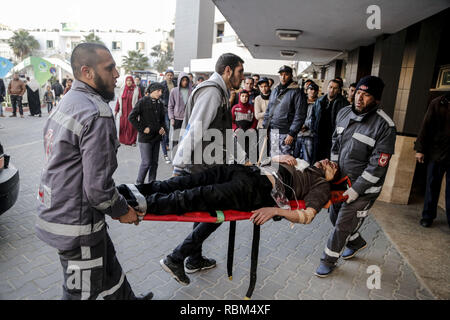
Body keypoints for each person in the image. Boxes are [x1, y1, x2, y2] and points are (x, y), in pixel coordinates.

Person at [35, 43, 152, 300]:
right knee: (81, 293)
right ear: (87, 72)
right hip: (77, 227)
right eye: (110, 68)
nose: (117, 74)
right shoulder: (96, 114)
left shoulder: (70, 101)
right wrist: (123, 211)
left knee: (110, 268)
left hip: (64, 211)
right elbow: (98, 190)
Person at [161, 53, 245, 286]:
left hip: (208, 165)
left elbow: (224, 135)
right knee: (218, 214)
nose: (242, 77)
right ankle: (176, 258)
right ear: (227, 71)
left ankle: (194, 258)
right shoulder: (212, 92)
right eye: (240, 72)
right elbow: (194, 129)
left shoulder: (220, 92)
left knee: (203, 212)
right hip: (201, 167)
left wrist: (243, 159)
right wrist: (179, 166)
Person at [316, 75, 396, 277]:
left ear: (376, 100)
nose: (359, 98)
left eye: (366, 95)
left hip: (365, 188)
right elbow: (335, 142)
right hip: (340, 180)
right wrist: (332, 168)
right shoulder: (343, 113)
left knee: (344, 221)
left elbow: (377, 167)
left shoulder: (385, 126)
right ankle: (356, 241)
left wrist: (356, 190)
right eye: (358, 92)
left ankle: (328, 259)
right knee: (334, 214)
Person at [117, 157, 337, 226]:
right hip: (245, 170)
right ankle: (124, 191)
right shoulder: (302, 162)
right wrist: (276, 158)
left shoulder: (321, 186)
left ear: (331, 178)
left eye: (334, 166)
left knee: (194, 196)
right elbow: (263, 162)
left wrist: (275, 211)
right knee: (182, 182)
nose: (329, 161)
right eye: (330, 159)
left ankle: (138, 205)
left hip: (256, 189)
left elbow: (307, 216)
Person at [414, 93, 450, 228]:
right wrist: (420, 149)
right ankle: (428, 216)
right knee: (432, 186)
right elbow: (426, 126)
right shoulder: (438, 103)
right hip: (437, 153)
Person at [262, 65, 307, 157]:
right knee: (274, 159)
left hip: (286, 133)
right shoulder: (275, 90)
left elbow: (300, 114)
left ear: (291, 76)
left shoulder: (297, 92)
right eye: (281, 74)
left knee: (285, 160)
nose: (283, 77)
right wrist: (265, 127)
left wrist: (292, 133)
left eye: (286, 74)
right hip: (273, 130)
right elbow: (269, 110)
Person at [129, 82, 167, 184]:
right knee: (146, 162)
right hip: (145, 139)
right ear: (152, 90)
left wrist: (163, 128)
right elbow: (131, 117)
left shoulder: (160, 103)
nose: (160, 93)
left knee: (154, 163)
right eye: (158, 91)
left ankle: (151, 184)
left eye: (161, 91)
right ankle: (139, 183)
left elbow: (163, 119)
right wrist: (142, 128)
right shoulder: (142, 102)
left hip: (156, 138)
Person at [312, 79, 348, 162]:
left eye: (335, 88)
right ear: (327, 87)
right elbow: (313, 116)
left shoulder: (343, 103)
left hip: (332, 138)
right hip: (319, 136)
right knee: (316, 161)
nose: (332, 90)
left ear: (339, 90)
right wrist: (313, 128)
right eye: (330, 87)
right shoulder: (319, 101)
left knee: (329, 162)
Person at [294, 82, 319, 163]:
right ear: (307, 90)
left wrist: (306, 125)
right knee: (294, 158)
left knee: (307, 160)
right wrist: (298, 126)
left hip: (309, 135)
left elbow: (316, 118)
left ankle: (306, 175)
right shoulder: (301, 101)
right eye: (311, 89)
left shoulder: (318, 104)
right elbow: (295, 115)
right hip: (297, 134)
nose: (313, 91)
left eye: (315, 90)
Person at [168, 72, 193, 150]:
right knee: (176, 138)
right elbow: (170, 106)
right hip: (177, 119)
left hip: (188, 119)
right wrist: (172, 118)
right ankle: (175, 156)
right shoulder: (174, 91)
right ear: (179, 81)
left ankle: (183, 156)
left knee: (186, 138)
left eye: (186, 80)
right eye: (183, 80)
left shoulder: (192, 91)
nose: (185, 82)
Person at [114, 75, 141, 146]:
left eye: (130, 80)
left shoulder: (136, 89)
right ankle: (123, 140)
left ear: (132, 81)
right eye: (127, 80)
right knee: (123, 126)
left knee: (132, 126)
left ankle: (132, 141)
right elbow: (118, 100)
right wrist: (116, 110)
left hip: (132, 111)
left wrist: (139, 111)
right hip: (123, 112)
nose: (128, 82)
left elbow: (140, 100)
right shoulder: (122, 89)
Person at [160, 70, 177, 163]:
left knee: (172, 126)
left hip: (175, 108)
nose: (170, 77)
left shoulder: (175, 84)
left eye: (171, 75)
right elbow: (160, 96)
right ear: (165, 76)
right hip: (166, 109)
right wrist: (164, 104)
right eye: (168, 75)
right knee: (167, 126)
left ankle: (170, 143)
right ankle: (166, 143)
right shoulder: (162, 84)